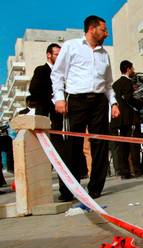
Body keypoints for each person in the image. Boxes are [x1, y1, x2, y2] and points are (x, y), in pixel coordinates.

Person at [51, 15, 120, 200]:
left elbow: (107, 84)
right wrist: (59, 98)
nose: (107, 33)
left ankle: (95, 188)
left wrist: (113, 102)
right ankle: (68, 190)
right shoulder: (71, 46)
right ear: (92, 29)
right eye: (104, 30)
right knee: (72, 146)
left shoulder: (104, 54)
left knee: (100, 145)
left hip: (99, 102)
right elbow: (57, 74)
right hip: (76, 101)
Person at [112, 60, 143, 179]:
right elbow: (130, 98)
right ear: (128, 69)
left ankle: (124, 171)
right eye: (132, 68)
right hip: (130, 118)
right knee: (134, 145)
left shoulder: (115, 84)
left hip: (119, 119)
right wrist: (139, 105)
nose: (133, 70)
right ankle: (137, 169)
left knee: (122, 146)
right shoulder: (128, 83)